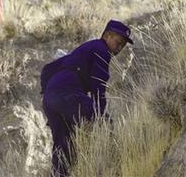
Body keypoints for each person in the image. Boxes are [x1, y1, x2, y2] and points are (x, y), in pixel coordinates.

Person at [40, 19, 133, 176]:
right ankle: (117, 168)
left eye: (123, 45)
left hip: (51, 98)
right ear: (107, 36)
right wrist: (99, 113)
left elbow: (48, 69)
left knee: (63, 145)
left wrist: (45, 95)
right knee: (104, 124)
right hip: (67, 93)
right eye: (118, 42)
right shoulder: (101, 49)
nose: (119, 47)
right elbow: (98, 84)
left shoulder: (85, 49)